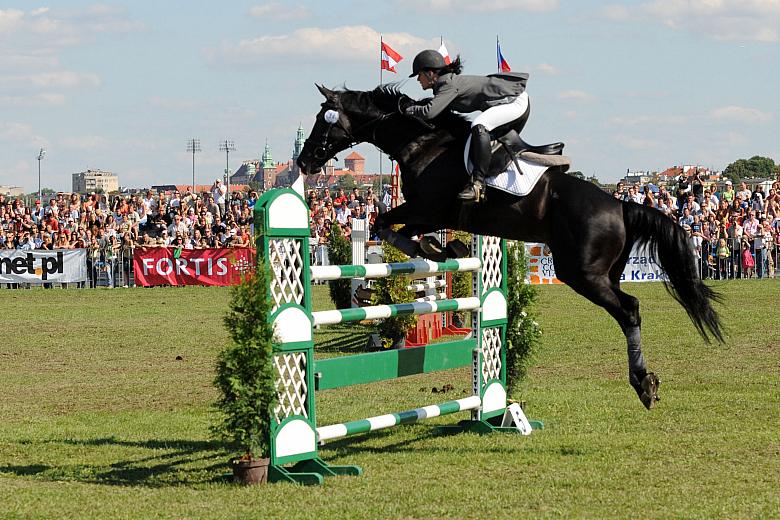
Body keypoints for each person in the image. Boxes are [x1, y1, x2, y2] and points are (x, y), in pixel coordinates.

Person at [404, 49, 529, 202]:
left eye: (419, 74)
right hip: (512, 102)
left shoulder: (447, 84)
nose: (418, 79)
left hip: (514, 101)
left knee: (479, 124)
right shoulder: (444, 85)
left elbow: (429, 112)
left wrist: (409, 110)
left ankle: (477, 184)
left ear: (430, 73)